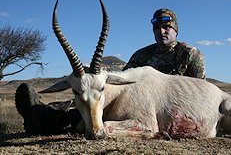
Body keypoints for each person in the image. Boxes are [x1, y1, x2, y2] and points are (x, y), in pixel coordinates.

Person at [15, 8, 206, 135]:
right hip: (135, 103)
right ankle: (40, 114)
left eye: (166, 27)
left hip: (168, 104)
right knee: (88, 99)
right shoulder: (142, 54)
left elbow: (199, 89)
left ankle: (48, 120)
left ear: (175, 30)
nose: (161, 31)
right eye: (157, 28)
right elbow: (123, 84)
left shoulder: (190, 54)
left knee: (89, 119)